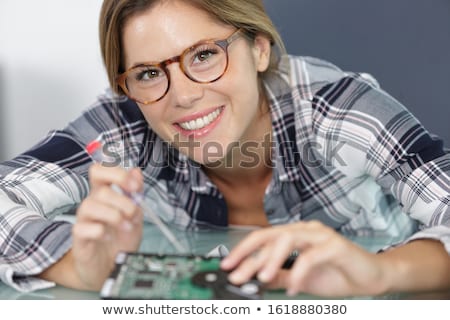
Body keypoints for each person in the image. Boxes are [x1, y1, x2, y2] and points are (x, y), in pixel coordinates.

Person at [0, 0, 449, 297]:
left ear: (258, 49)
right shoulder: (127, 120)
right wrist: (80, 265)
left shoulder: (339, 110)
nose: (182, 96)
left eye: (203, 55)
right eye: (149, 73)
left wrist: (381, 274)